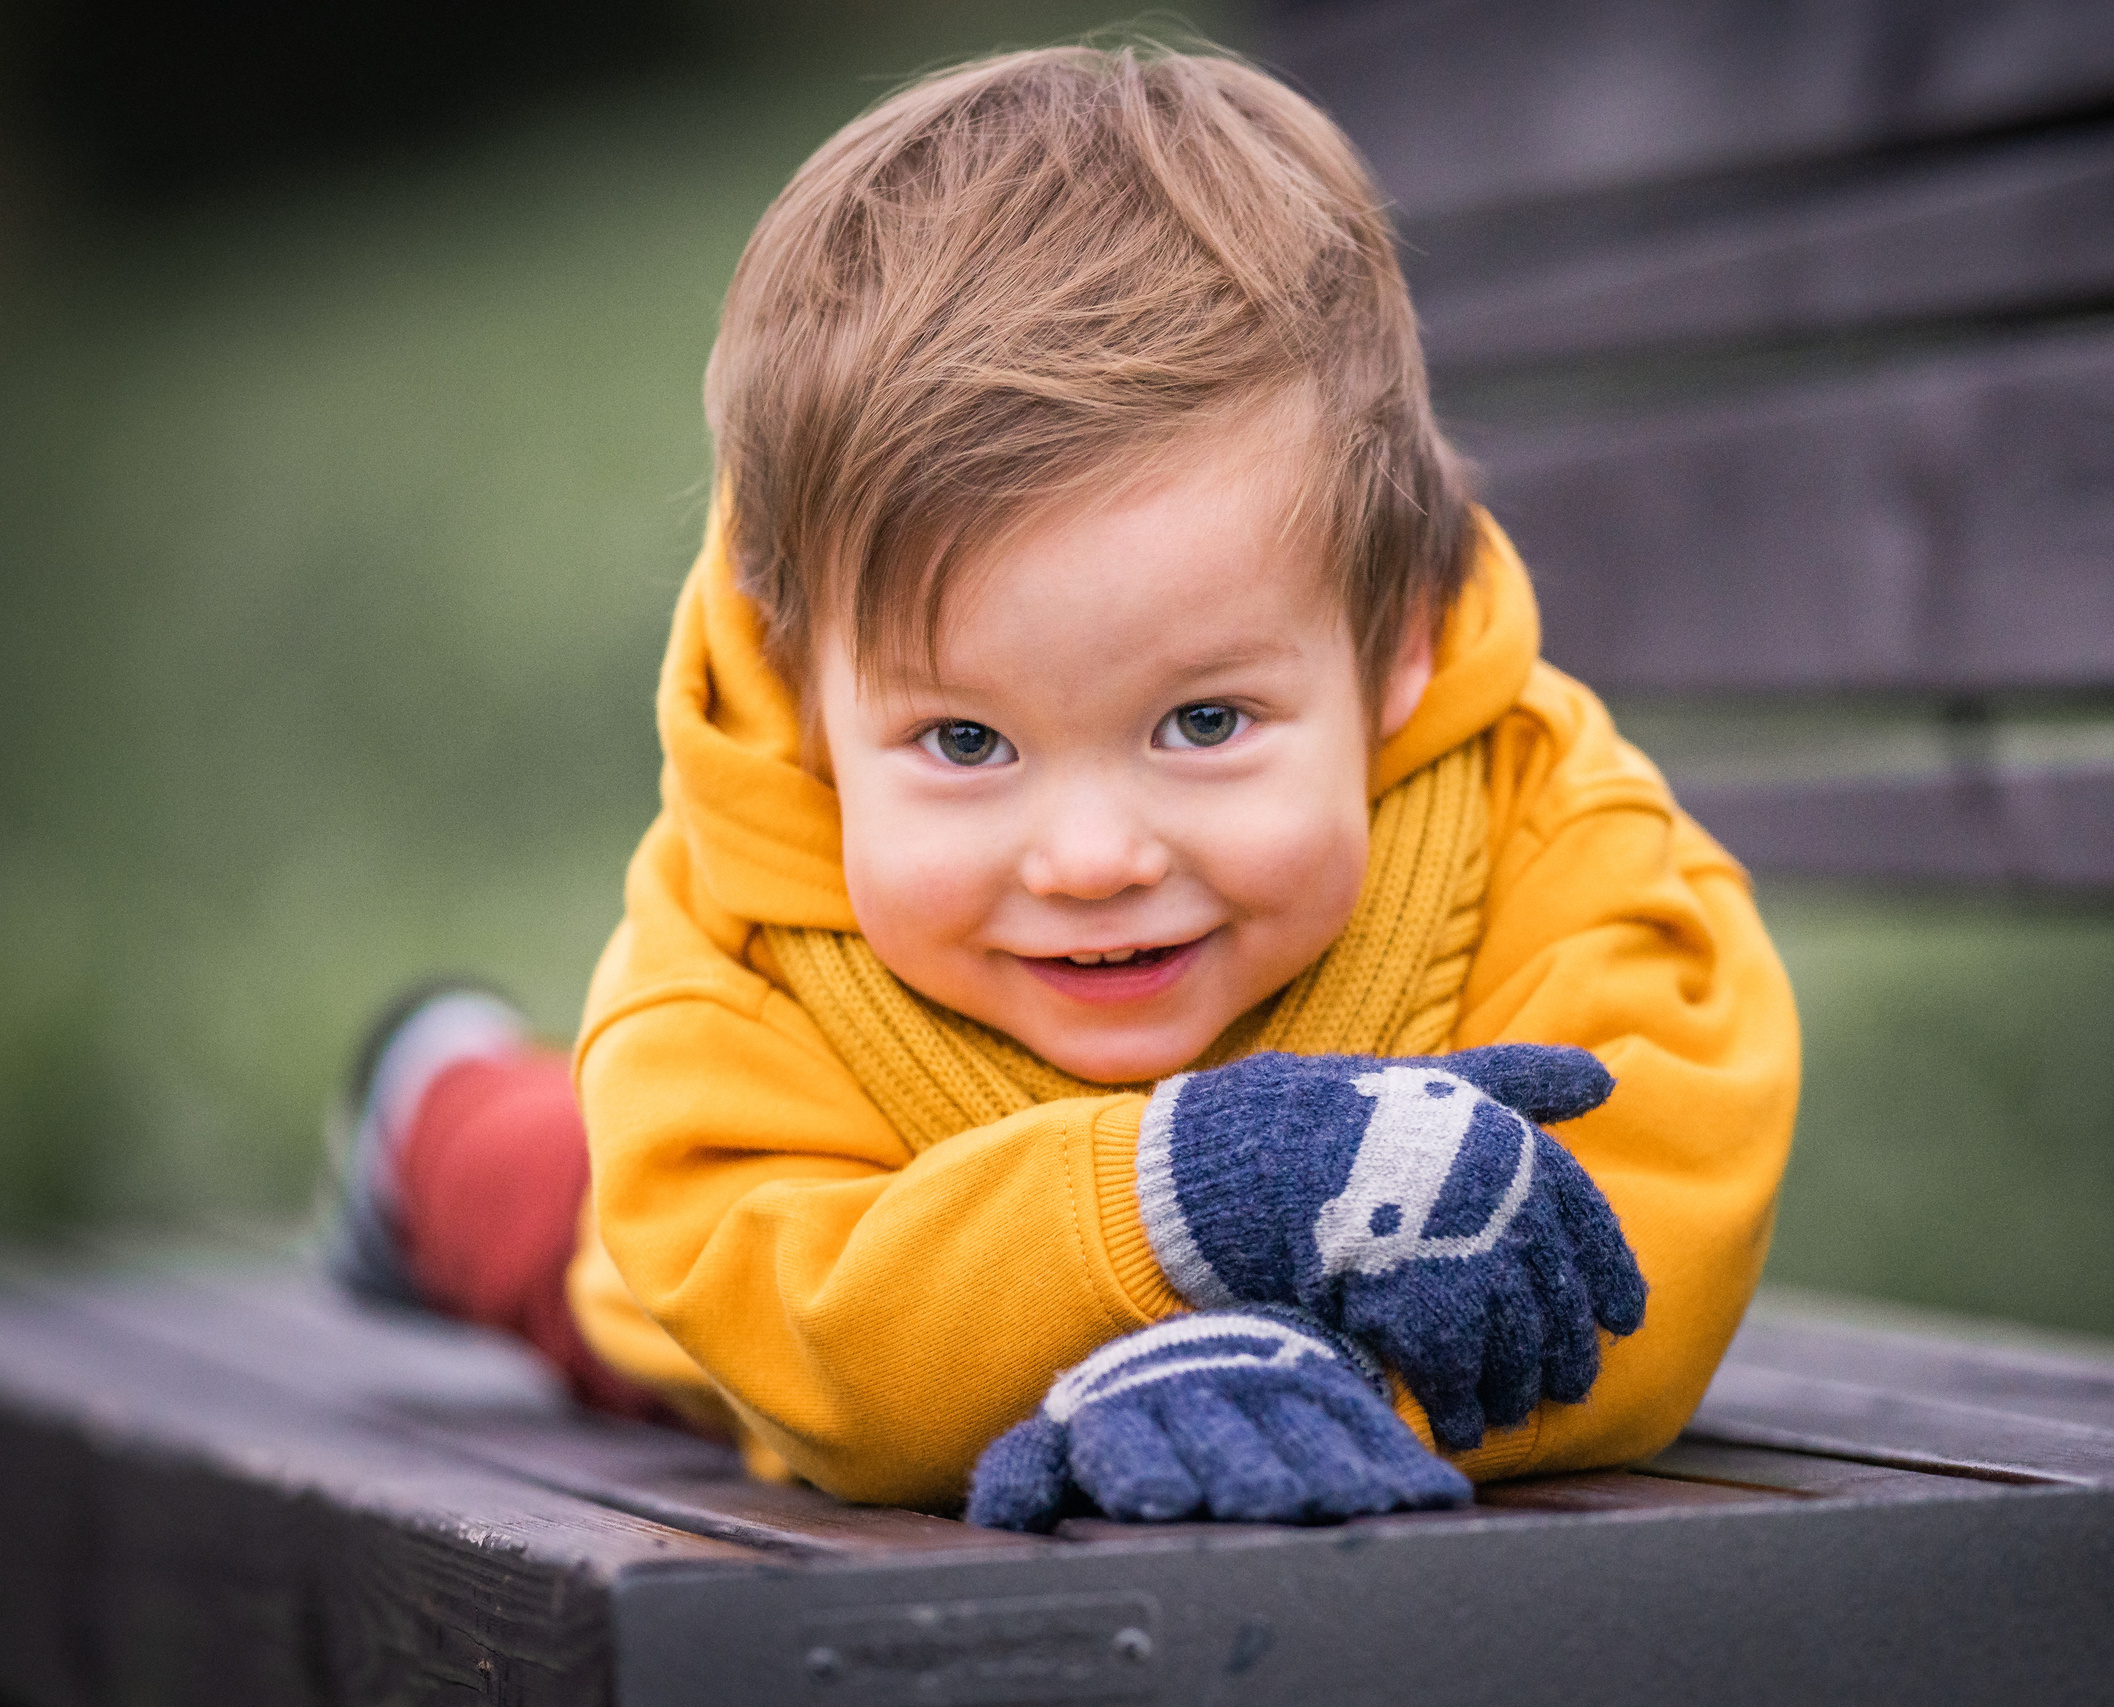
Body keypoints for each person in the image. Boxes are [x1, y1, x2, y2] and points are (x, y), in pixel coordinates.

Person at [323, 40, 1799, 1532]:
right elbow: (793, 1319)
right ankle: (423, 1120)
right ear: (808, 702)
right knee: (549, 1202)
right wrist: (1173, 1207)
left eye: (1205, 720)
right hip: (707, 1315)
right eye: (966, 744)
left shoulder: (1557, 826)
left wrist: (1296, 1385)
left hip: (1173, 1330)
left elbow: (1636, 1254)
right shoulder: (741, 919)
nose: (1091, 857)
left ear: (1399, 644)